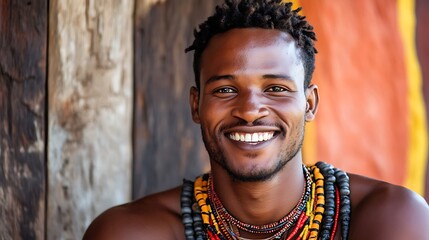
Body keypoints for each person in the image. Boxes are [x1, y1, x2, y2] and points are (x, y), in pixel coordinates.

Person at [83, 0, 429, 239]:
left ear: (310, 104)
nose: (250, 111)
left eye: (276, 88)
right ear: (195, 105)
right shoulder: (131, 232)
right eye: (224, 90)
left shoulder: (390, 219)